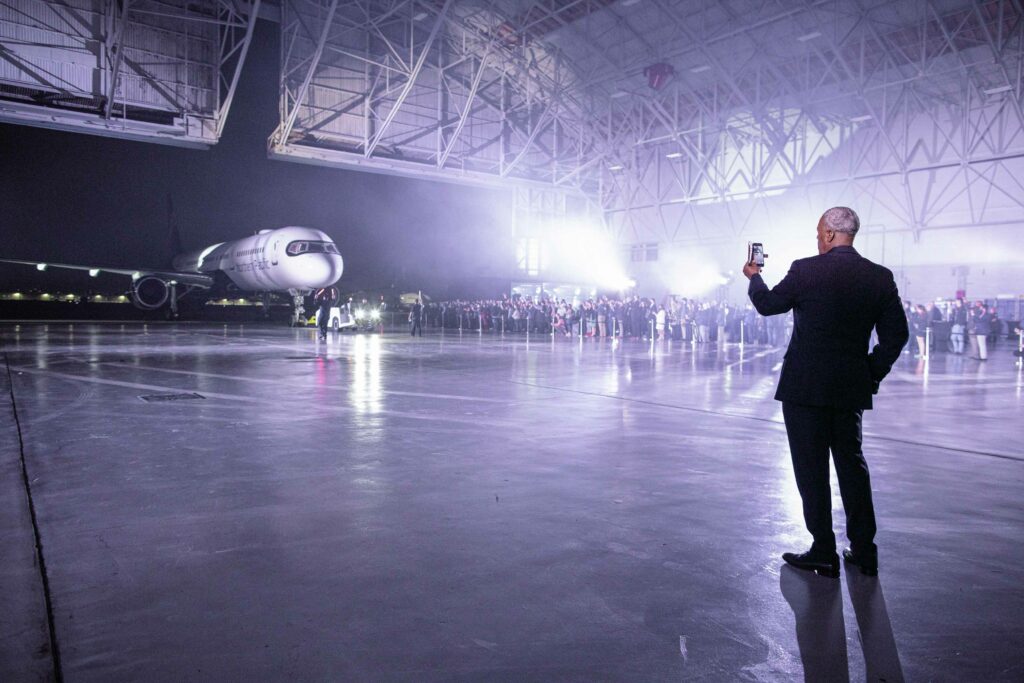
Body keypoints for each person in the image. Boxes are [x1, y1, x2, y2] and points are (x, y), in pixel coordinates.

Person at [743, 206, 908, 578]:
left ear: (831, 235)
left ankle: (823, 551)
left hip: (805, 389)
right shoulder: (880, 278)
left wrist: (754, 277)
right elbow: (897, 336)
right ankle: (864, 551)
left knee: (811, 469)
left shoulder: (805, 270)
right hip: (850, 390)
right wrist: (870, 374)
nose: (818, 240)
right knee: (852, 467)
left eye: (819, 234)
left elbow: (768, 306)